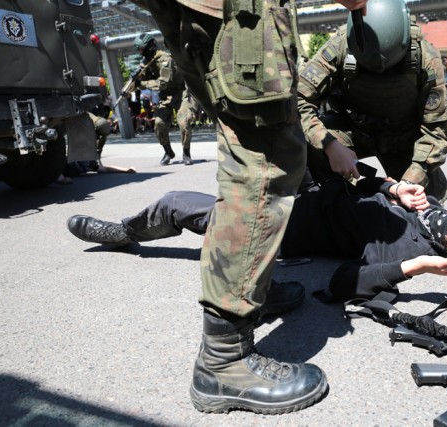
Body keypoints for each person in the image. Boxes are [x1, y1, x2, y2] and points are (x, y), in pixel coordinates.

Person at [128, 0, 368, 416]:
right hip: (238, 9)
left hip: (198, 11)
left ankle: (252, 290)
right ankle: (223, 363)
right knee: (265, 161)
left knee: (244, 145)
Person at [66, 177, 447, 301]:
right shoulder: (428, 205)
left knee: (179, 203)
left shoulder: (411, 251)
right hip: (309, 185)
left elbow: (342, 284)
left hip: (285, 222)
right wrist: (390, 188)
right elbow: (361, 184)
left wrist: (415, 269)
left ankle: (124, 233)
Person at [297, 0, 447, 202]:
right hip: (355, 132)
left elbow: (436, 132)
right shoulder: (339, 46)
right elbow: (298, 100)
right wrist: (329, 145)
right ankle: (344, 201)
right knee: (303, 145)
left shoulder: (426, 59)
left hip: (404, 139)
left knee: (423, 204)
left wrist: (407, 183)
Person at [132, 33, 189, 166]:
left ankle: (187, 153)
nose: (141, 52)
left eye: (142, 49)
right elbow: (145, 78)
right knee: (158, 123)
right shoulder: (147, 61)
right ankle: (168, 151)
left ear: (150, 46)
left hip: (180, 94)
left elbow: (163, 83)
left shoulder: (164, 59)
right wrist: (136, 78)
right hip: (165, 96)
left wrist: (141, 84)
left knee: (183, 123)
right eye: (139, 50)